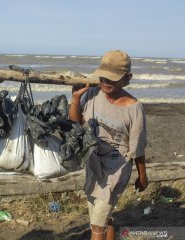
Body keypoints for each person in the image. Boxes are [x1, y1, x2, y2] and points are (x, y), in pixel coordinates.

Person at [69, 50, 148, 240]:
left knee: (96, 225)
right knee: (104, 217)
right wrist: (75, 98)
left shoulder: (134, 108)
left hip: (116, 169)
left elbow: (137, 148)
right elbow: (75, 124)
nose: (105, 82)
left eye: (112, 79)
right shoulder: (93, 94)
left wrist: (143, 176)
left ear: (127, 78)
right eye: (103, 77)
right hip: (93, 163)